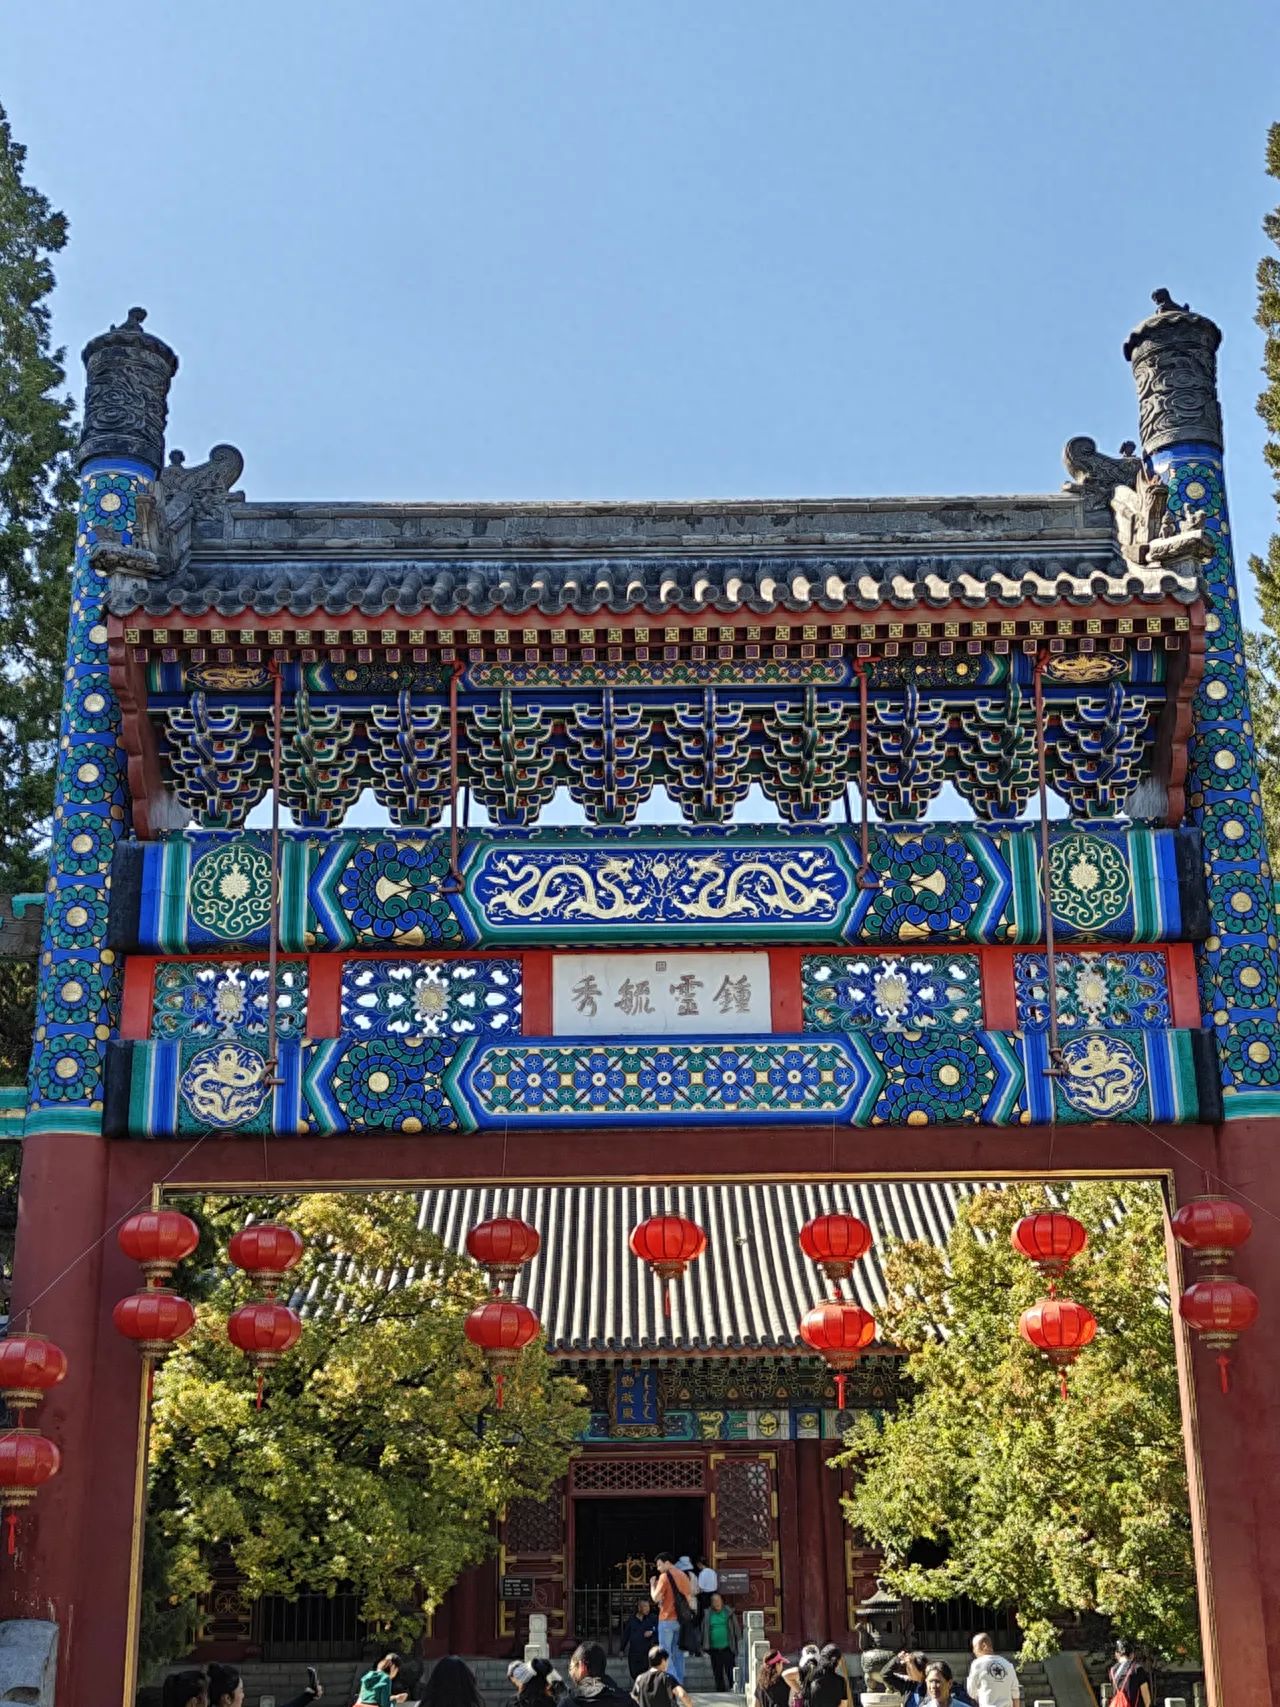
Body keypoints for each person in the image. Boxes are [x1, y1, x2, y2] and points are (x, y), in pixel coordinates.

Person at [649, 1551, 694, 1685]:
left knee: (665, 1652)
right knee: (678, 1653)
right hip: (681, 1620)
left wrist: (652, 1585)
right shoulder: (684, 1575)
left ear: (667, 1563)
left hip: (667, 1618)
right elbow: (689, 1597)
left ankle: (671, 1682)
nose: (658, 1568)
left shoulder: (664, 1576)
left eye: (659, 1565)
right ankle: (679, 1682)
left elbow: (655, 1597)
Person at [567, 1641, 635, 1707]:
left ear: (582, 1666)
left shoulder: (570, 1702)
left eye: (573, 1667)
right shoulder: (627, 1700)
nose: (572, 1672)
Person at [966, 1635, 1020, 1707]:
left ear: (984, 1646)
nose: (973, 1651)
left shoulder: (977, 1664)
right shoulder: (1008, 1665)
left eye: (974, 1647)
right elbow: (1015, 1695)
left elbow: (971, 1691)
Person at [703, 1593, 740, 1693]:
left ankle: (733, 1688)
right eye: (714, 1601)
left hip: (728, 1648)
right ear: (711, 1603)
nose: (717, 1603)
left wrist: (739, 1642)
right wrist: (703, 1646)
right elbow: (704, 1630)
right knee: (717, 1672)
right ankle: (720, 1691)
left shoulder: (729, 1612)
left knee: (730, 1671)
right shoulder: (707, 1614)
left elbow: (736, 1628)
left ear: (722, 1601)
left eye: (718, 1600)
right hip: (714, 1649)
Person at [622, 1598, 660, 1681]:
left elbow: (659, 1628)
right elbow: (626, 1635)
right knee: (634, 1673)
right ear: (639, 1608)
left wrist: (652, 1631)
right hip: (634, 1653)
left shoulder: (652, 1618)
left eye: (648, 1606)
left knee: (645, 1674)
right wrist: (622, 1649)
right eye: (645, 1606)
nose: (648, 1609)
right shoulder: (632, 1620)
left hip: (646, 1653)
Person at [1109, 1640, 1152, 1707]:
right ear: (1132, 1654)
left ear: (1116, 1654)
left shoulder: (1112, 1671)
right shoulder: (1137, 1669)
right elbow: (1147, 1700)